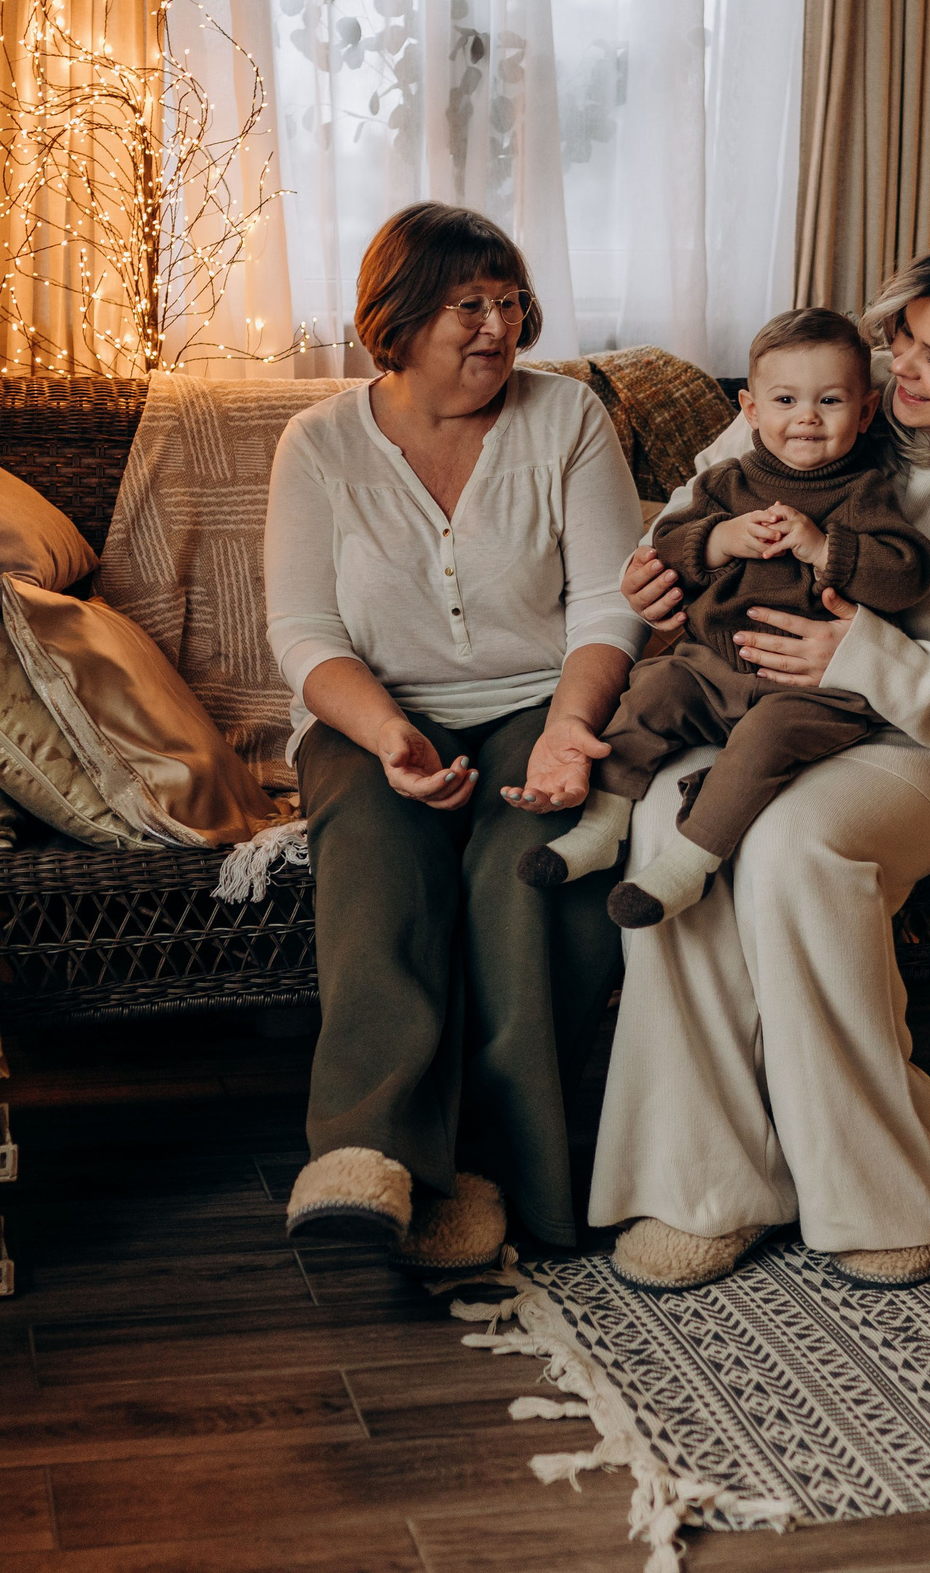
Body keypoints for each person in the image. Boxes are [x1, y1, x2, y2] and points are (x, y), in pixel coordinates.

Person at [590, 225, 930, 1294]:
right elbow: (685, 524)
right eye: (904, 340)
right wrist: (651, 578)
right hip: (761, 719)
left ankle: (877, 1187)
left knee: (794, 841)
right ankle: (705, 1183)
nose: (899, 370)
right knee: (664, 824)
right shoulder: (834, 403)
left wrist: (867, 656)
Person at [265, 202, 648, 1272]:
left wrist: (572, 727)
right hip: (370, 708)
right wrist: (389, 735)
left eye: (508, 300)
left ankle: (498, 1177)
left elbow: (608, 606)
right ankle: (366, 1160)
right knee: (381, 864)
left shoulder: (566, 418)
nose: (497, 325)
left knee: (523, 877)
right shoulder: (320, 443)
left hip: (544, 696)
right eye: (465, 305)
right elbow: (303, 628)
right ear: (396, 318)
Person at [515, 308, 930, 929]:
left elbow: (908, 575)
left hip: (816, 690)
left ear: (867, 411)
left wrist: (826, 548)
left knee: (763, 741)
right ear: (751, 409)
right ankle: (601, 826)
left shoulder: (865, 491)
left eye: (831, 400)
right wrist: (720, 540)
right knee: (650, 690)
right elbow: (664, 550)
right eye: (786, 399)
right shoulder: (725, 482)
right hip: (712, 669)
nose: (807, 418)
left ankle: (689, 862)